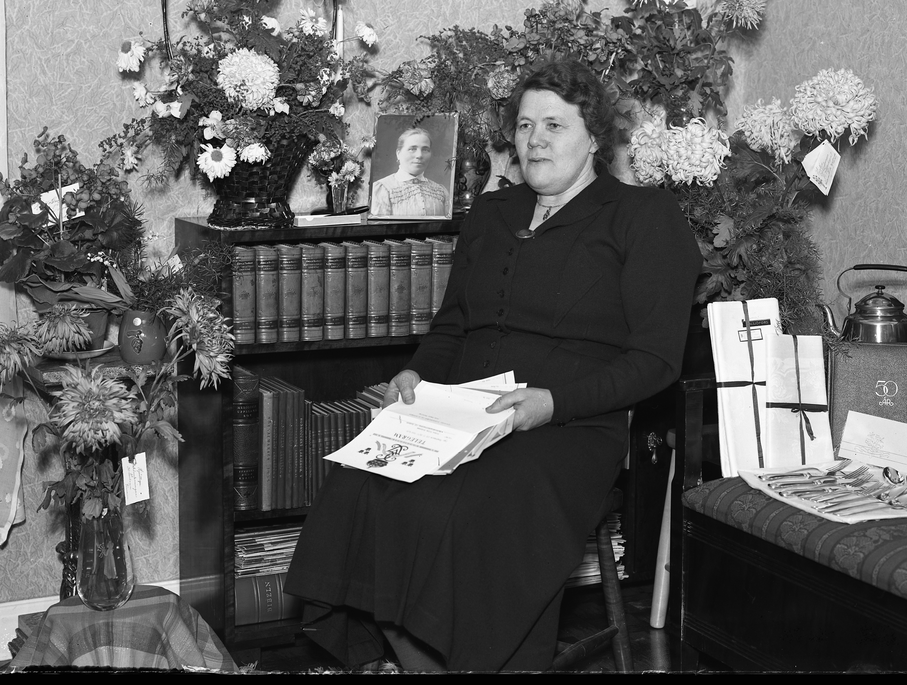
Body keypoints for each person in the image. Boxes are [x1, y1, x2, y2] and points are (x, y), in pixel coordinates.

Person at [285, 59, 702, 672]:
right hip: (463, 415)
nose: (536, 140)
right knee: (358, 483)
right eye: (526, 125)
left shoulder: (644, 216)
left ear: (594, 136)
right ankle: (414, 658)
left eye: (555, 125)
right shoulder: (492, 212)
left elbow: (656, 361)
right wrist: (415, 375)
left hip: (571, 426)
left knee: (460, 506)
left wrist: (550, 404)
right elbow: (453, 325)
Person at [370, 126, 450, 217]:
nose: (419, 155)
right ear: (398, 153)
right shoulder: (383, 189)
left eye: (425, 150)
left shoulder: (441, 191)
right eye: (412, 149)